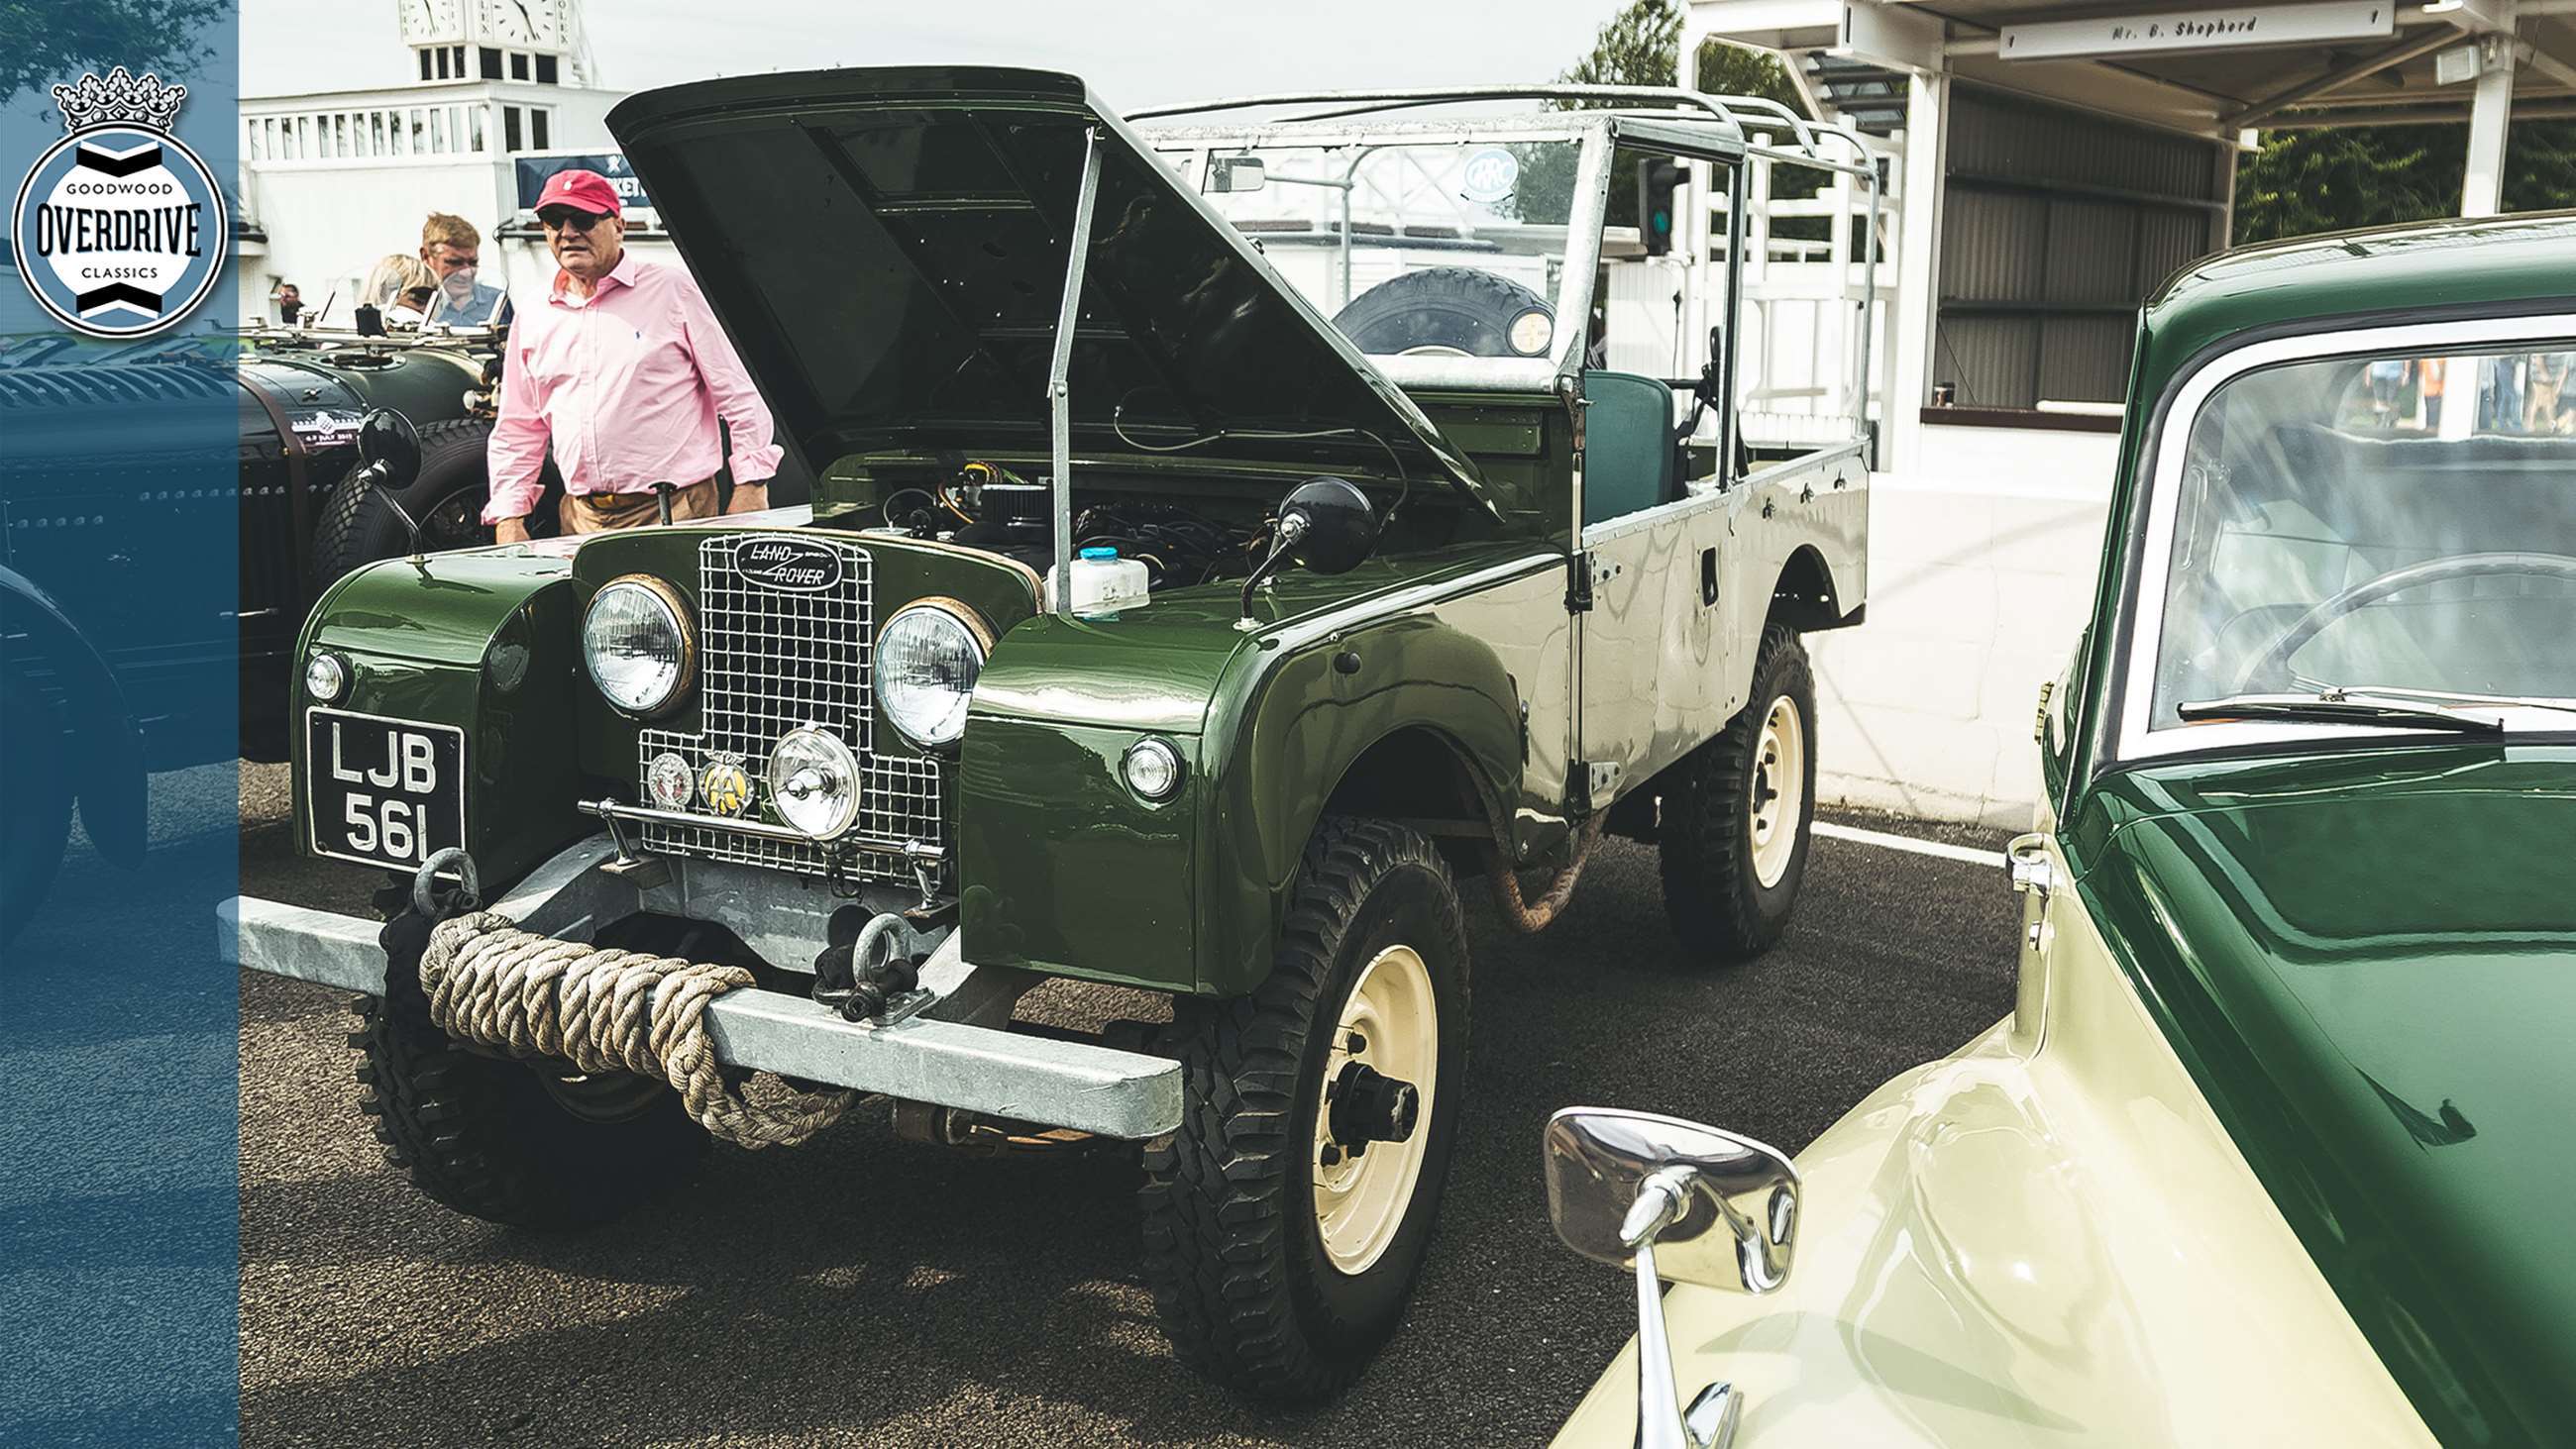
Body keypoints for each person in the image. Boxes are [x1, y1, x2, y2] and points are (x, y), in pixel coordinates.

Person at [484, 168, 780, 541]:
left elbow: (739, 393)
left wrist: (752, 486)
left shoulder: (673, 290)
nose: (568, 232)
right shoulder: (534, 313)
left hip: (675, 510)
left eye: (584, 219)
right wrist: (509, 516)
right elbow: (518, 426)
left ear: (619, 226)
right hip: (580, 517)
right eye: (554, 220)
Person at [416, 211, 505, 325]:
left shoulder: (497, 302)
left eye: (473, 263)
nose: (466, 273)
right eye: (455, 263)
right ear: (425, 256)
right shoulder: (415, 305)